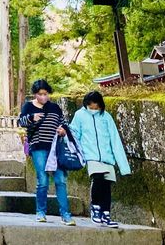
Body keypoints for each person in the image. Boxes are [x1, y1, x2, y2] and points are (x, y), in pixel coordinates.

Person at [69, 91, 130, 227]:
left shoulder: (106, 117)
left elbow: (115, 139)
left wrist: (123, 166)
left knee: (106, 185)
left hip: (107, 157)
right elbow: (74, 133)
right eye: (91, 107)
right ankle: (95, 209)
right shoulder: (79, 115)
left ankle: (106, 214)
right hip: (91, 156)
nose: (94, 110)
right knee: (98, 178)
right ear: (86, 105)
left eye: (96, 108)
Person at [17, 79, 74, 225]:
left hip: (55, 148)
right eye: (40, 94)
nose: (43, 97)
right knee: (42, 180)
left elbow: (64, 124)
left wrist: (63, 130)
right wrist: (32, 118)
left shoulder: (55, 107)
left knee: (60, 180)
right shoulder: (28, 107)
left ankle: (66, 214)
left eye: (46, 94)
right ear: (35, 94)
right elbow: (21, 122)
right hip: (38, 147)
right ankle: (40, 212)